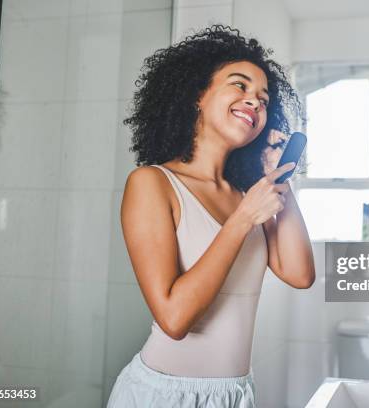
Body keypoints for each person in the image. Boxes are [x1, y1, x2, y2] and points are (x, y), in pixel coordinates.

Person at [107, 25, 315, 408]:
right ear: (197, 96)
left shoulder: (247, 194)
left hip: (235, 395)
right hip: (164, 394)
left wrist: (279, 173)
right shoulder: (153, 183)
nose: (254, 101)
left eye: (263, 98)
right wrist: (242, 220)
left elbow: (300, 274)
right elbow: (174, 319)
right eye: (240, 85)